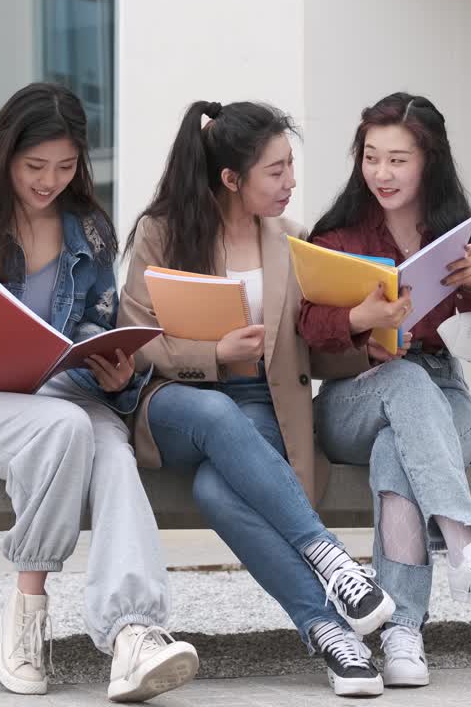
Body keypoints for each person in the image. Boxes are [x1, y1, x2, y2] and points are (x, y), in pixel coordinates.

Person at [0, 82, 197, 702]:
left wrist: (116, 369)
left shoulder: (90, 229)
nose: (48, 180)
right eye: (35, 166)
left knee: (111, 452)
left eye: (64, 166)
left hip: (69, 392)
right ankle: (27, 610)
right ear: (5, 154)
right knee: (69, 431)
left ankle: (134, 634)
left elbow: (95, 327)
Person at [118, 100, 392, 698]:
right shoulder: (161, 232)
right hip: (173, 401)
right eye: (276, 170)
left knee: (218, 491)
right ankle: (329, 556)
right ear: (230, 178)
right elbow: (136, 338)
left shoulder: (293, 242)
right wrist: (212, 353)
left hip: (262, 404)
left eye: (291, 166)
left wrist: (359, 335)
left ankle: (327, 632)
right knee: (213, 413)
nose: (291, 182)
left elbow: (309, 352)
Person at [298, 92, 471, 688]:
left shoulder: (466, 234)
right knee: (401, 382)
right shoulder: (338, 235)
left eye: (398, 160)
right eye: (372, 157)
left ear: (429, 160)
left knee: (398, 454)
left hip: (441, 393)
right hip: (353, 393)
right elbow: (306, 330)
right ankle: (468, 545)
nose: (381, 173)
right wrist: (358, 321)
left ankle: (402, 633)